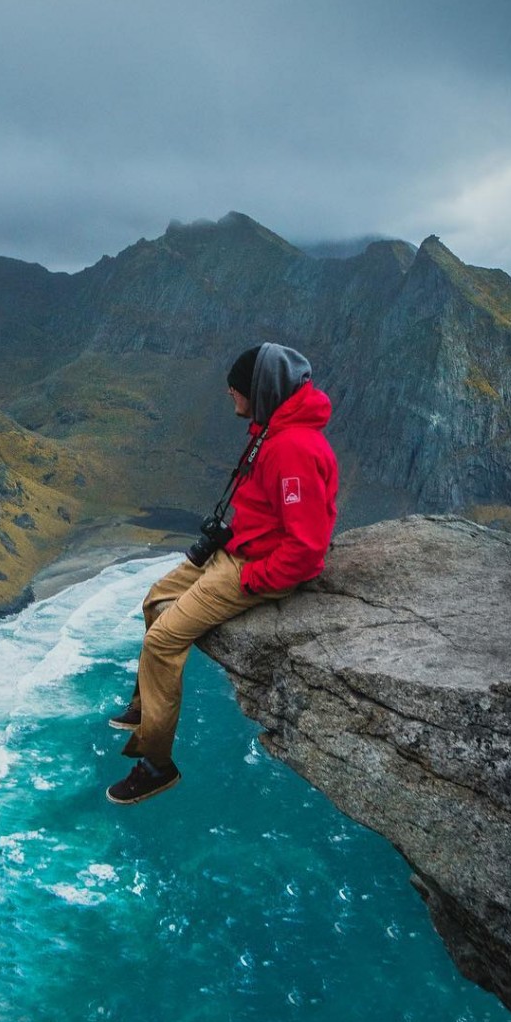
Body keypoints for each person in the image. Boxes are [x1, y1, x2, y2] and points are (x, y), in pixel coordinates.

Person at [106, 342, 338, 805]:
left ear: (260, 390)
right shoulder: (271, 430)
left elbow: (307, 550)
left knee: (163, 641)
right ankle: (144, 706)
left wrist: (253, 580)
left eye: (236, 388)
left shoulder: (292, 449)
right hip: (236, 549)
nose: (230, 395)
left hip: (255, 566)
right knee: (154, 598)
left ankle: (156, 764)